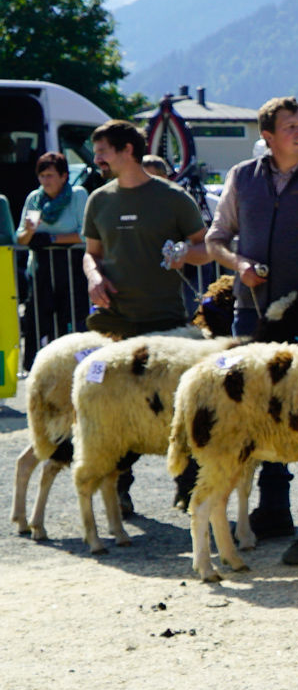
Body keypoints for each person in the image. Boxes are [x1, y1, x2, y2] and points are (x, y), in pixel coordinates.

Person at [207, 97, 298, 560]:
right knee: (258, 409)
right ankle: (271, 508)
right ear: (267, 136)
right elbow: (215, 239)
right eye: (290, 126)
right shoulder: (241, 177)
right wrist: (238, 264)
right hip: (251, 314)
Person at [81, 120, 212, 518]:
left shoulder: (173, 198)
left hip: (168, 324)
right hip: (117, 323)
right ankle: (120, 490)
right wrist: (94, 278)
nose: (97, 159)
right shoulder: (99, 200)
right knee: (118, 413)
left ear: (127, 151)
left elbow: (205, 247)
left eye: (102, 150)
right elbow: (91, 253)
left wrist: (184, 254)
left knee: (178, 408)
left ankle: (188, 489)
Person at [17, 152, 90, 371]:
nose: (45, 181)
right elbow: (19, 238)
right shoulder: (34, 199)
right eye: (42, 176)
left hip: (72, 270)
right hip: (41, 272)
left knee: (72, 322)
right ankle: (36, 370)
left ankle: (74, 368)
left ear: (64, 176)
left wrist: (51, 238)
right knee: (38, 322)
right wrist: (30, 232)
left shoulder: (78, 195)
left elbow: (86, 234)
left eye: (50, 175)